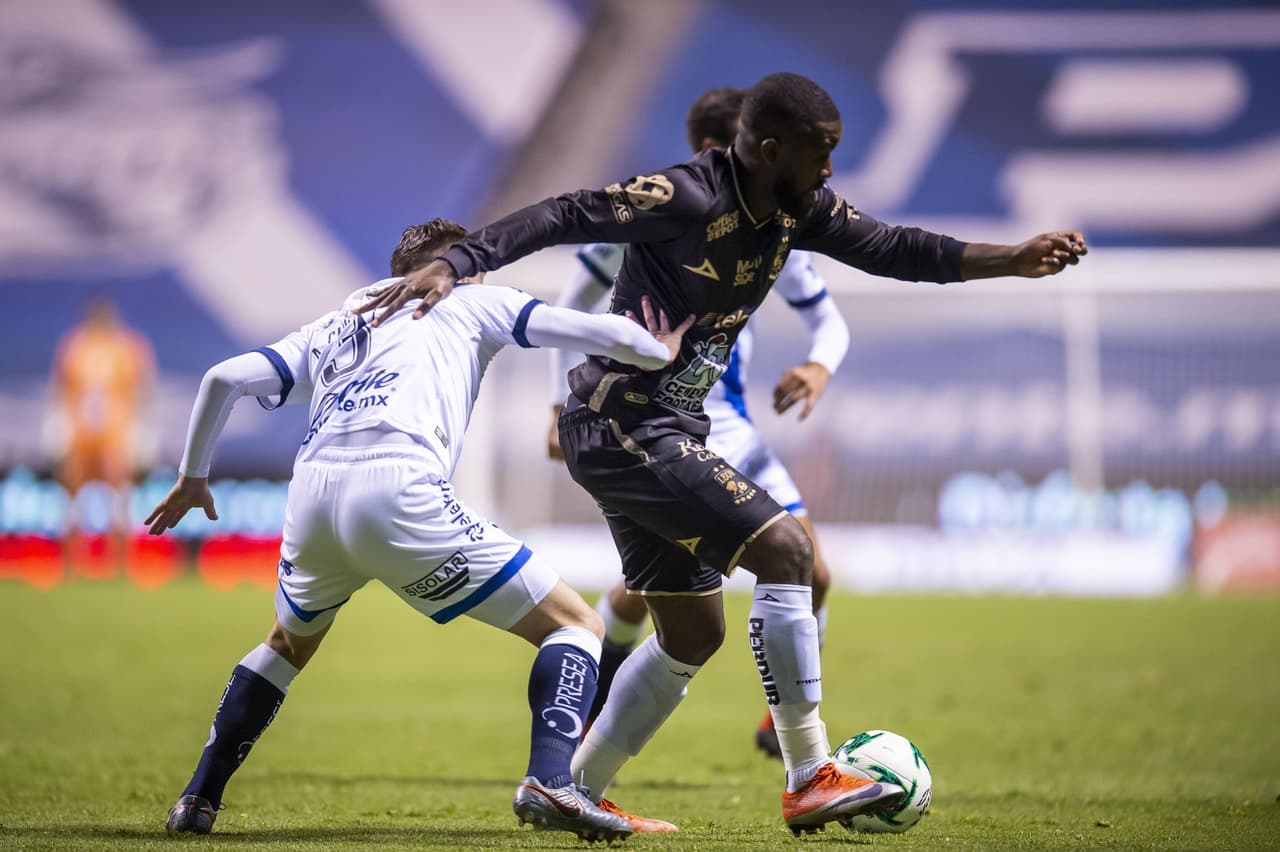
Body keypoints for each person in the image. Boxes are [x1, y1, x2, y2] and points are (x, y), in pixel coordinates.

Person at [358, 72, 1087, 835]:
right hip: (622, 422)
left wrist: (1011, 258)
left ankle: (568, 788)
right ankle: (809, 774)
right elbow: (565, 214)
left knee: (694, 633)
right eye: (821, 153)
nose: (830, 171)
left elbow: (895, 247)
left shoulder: (797, 207)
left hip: (658, 427)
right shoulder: (686, 196)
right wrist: (460, 260)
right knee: (787, 551)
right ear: (770, 150)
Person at [147, 218, 697, 842]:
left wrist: (194, 476)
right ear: (459, 263)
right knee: (576, 624)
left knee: (286, 643)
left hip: (312, 498)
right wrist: (659, 349)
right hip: (399, 487)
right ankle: (552, 780)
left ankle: (197, 799)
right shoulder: (471, 296)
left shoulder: (337, 322)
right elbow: (590, 329)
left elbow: (221, 378)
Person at [545, 86, 848, 765]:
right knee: (649, 597)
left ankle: (788, 733)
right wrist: (552, 406)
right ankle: (593, 722)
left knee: (805, 566)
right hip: (648, 421)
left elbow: (831, 315)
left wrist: (819, 366)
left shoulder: (782, 221)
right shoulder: (663, 213)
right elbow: (573, 303)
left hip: (726, 424)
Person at [51, 295, 156, 547]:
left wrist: (142, 429)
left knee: (120, 495)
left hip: (116, 432)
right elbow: (61, 389)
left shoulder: (128, 347)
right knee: (71, 493)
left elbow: (143, 390)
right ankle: (72, 555)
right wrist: (58, 425)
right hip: (80, 432)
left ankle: (121, 555)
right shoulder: (75, 346)